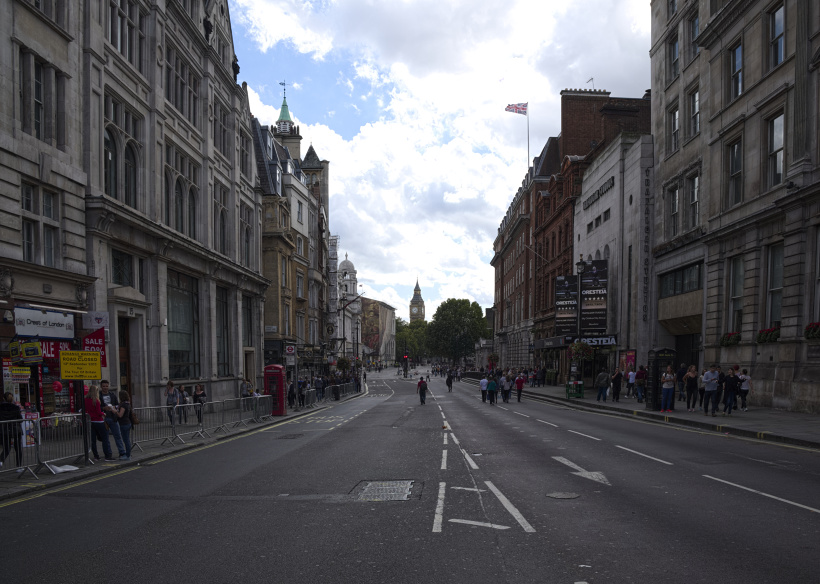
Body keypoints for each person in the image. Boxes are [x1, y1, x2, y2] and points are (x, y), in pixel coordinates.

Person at [85, 385, 114, 461]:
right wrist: (103, 413)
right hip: (99, 421)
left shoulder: (86, 400)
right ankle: (107, 456)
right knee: (105, 439)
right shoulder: (96, 401)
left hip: (91, 421)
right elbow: (98, 412)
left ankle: (96, 456)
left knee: (93, 440)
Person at [100, 380, 126, 458]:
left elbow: (117, 405)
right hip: (104, 419)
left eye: (106, 386)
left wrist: (115, 407)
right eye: (103, 386)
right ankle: (108, 454)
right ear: (101, 387)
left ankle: (122, 452)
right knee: (105, 438)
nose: (105, 388)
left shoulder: (112, 395)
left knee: (118, 436)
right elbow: (97, 407)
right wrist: (104, 408)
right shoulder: (99, 396)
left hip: (113, 418)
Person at [0, 392, 24, 470]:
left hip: (4, 430)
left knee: (6, 448)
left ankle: (1, 460)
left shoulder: (1, 407)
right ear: (12, 398)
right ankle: (19, 466)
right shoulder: (15, 407)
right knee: (18, 448)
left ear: (3, 398)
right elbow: (20, 419)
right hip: (15, 430)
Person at [115, 390, 133, 461]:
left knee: (126, 440)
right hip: (127, 423)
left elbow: (120, 415)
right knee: (127, 439)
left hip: (124, 424)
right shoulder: (127, 404)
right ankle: (128, 454)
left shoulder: (123, 405)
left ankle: (128, 455)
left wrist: (115, 411)